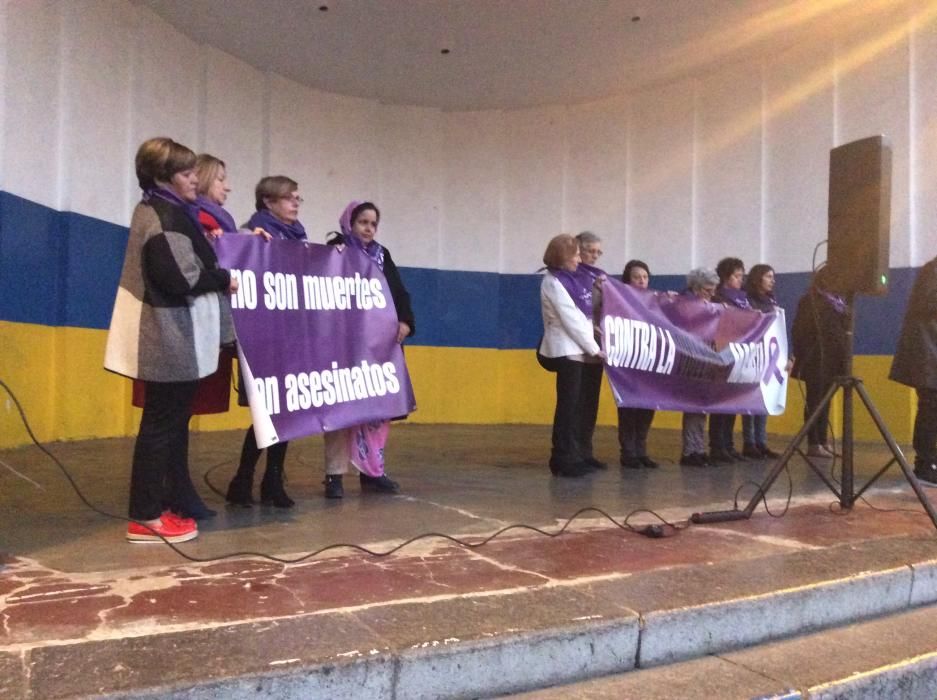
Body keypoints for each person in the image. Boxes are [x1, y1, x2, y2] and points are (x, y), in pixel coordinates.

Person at [104, 137, 237, 543]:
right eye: (186, 172)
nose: (195, 178)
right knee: (161, 427)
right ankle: (146, 517)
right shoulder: (165, 215)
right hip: (168, 336)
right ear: (163, 177)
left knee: (164, 425)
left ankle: (152, 511)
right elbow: (180, 277)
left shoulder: (162, 209)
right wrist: (221, 277)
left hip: (172, 335)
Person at [321, 201, 415, 499]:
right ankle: (334, 475)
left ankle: (372, 472)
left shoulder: (382, 255)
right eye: (362, 221)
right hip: (342, 345)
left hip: (377, 347)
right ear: (349, 222)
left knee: (376, 410)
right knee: (340, 410)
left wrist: (405, 322)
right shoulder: (335, 250)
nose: (368, 228)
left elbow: (398, 293)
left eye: (373, 223)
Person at [225, 176, 307, 509]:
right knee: (266, 412)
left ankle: (272, 479)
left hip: (289, 336)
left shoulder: (298, 239)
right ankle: (244, 479)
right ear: (268, 202)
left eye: (298, 198)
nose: (296, 203)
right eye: (289, 198)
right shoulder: (250, 235)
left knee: (283, 411)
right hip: (261, 338)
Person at [538, 234, 605, 477]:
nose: (580, 259)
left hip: (578, 349)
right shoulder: (554, 282)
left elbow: (583, 317)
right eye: (576, 255)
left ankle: (577, 455)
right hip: (566, 351)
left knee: (579, 406)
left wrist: (594, 334)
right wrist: (595, 348)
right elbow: (571, 320)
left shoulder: (573, 280)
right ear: (563, 257)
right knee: (568, 407)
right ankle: (562, 458)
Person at [790, 266, 850, 458]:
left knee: (826, 401)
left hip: (834, 359)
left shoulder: (840, 303)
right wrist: (802, 354)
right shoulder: (810, 301)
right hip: (815, 358)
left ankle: (823, 440)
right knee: (814, 401)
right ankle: (813, 443)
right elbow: (799, 330)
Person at [890, 256, 937, 485]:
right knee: (930, 408)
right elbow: (927, 303)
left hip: (930, 352)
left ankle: (930, 460)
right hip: (926, 354)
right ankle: (924, 465)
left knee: (931, 409)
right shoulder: (933, 270)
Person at [617, 259, 658, 469]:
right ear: (628, 280)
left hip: (650, 360)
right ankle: (628, 452)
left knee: (648, 405)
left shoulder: (654, 301)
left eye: (645, 277)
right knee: (629, 407)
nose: (642, 281)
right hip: (628, 360)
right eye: (636, 277)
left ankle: (641, 449)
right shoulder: (619, 300)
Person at [708, 257, 751, 463]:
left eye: (742, 276)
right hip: (722, 353)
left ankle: (729, 445)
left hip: (739, 354)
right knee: (721, 403)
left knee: (733, 402)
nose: (740, 280)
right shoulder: (717, 299)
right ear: (725, 277)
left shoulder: (743, 299)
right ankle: (717, 445)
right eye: (736, 276)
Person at [679, 268, 719, 467]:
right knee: (693, 407)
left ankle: (699, 448)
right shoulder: (684, 304)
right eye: (707, 290)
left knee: (702, 407)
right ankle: (690, 451)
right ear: (695, 287)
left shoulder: (708, 305)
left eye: (713, 290)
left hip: (706, 360)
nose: (711, 294)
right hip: (691, 360)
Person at [741, 264, 782, 459]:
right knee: (750, 397)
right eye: (768, 276)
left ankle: (761, 441)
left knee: (765, 397)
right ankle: (749, 442)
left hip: (768, 355)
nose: (772, 280)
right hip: (753, 355)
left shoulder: (771, 301)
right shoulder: (747, 300)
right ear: (758, 278)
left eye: (773, 277)